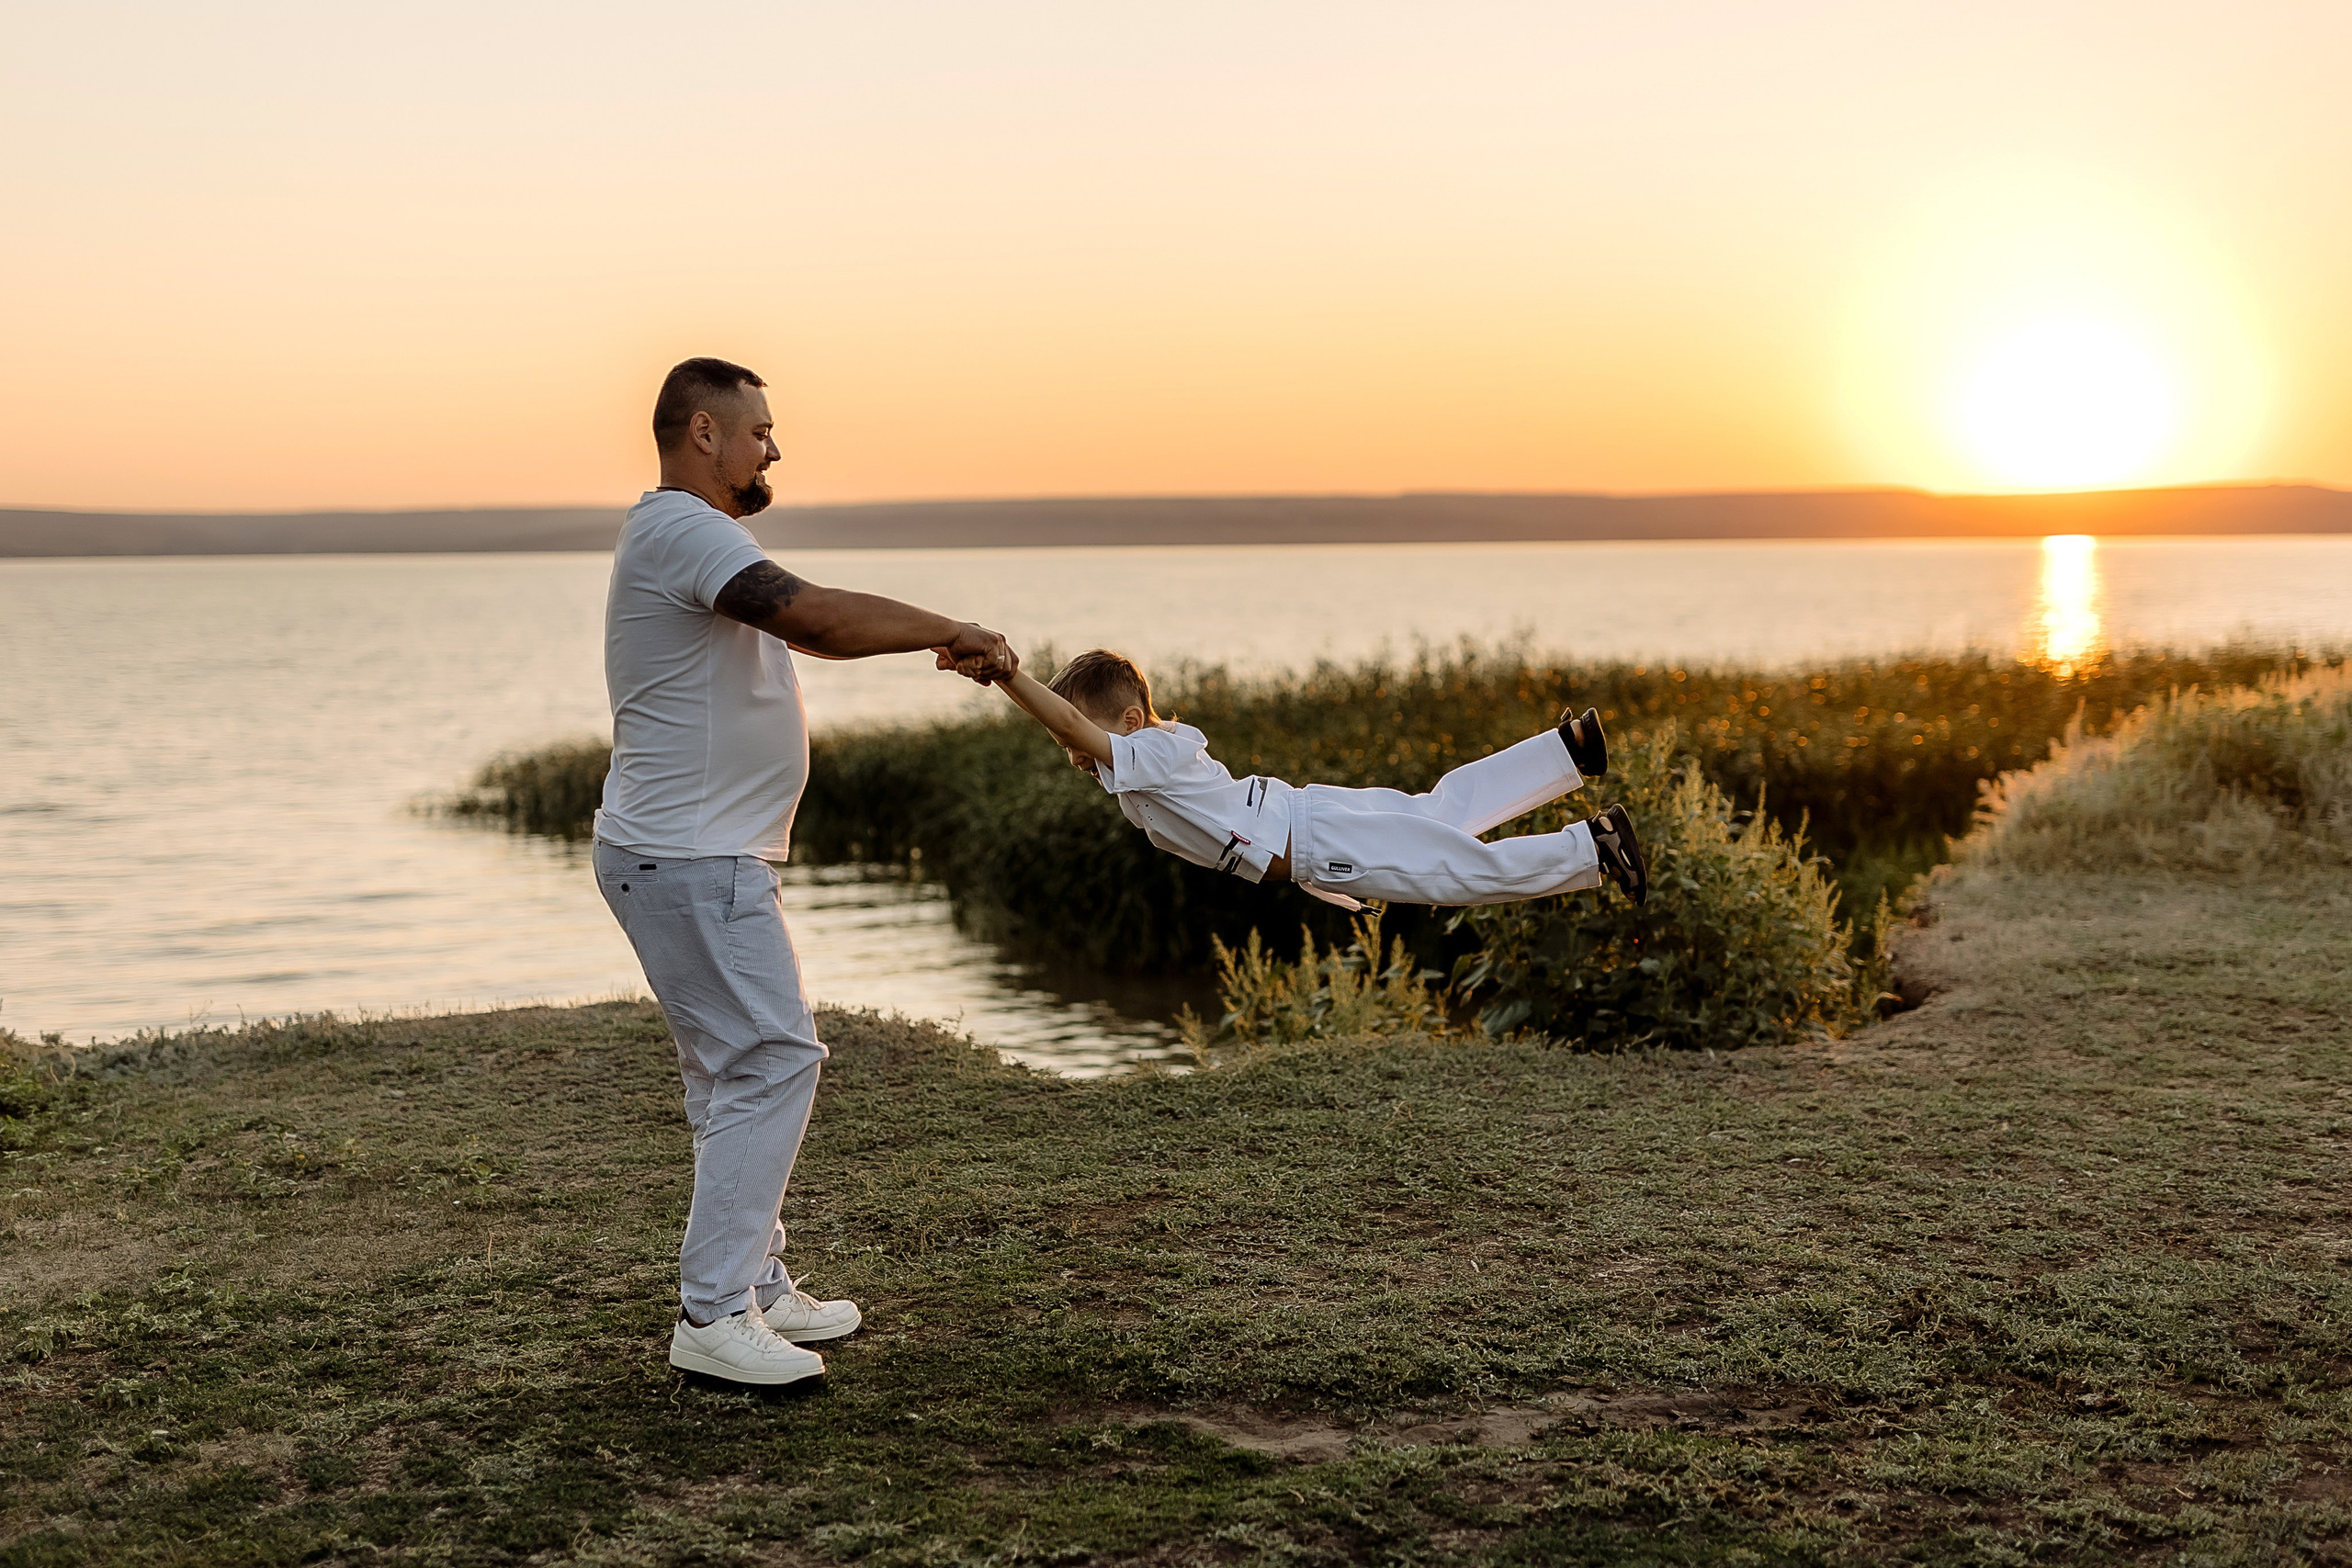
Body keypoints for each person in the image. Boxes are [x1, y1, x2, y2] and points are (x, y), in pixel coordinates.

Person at [594, 356, 1016, 1388]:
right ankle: (711, 1315)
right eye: (759, 431)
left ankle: (753, 1281)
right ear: (704, 432)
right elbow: (814, 617)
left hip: (688, 853)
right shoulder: (683, 528)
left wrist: (923, 636)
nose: (773, 448)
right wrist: (948, 630)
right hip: (691, 857)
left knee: (730, 1073)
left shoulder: (689, 536)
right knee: (775, 1059)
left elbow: (807, 631)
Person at [988, 649, 1647, 908]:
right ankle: (1567, 751)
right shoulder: (1149, 760)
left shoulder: (1149, 753)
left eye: (1076, 739)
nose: (1073, 752)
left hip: (1314, 840)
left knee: (1462, 874)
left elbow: (1070, 723)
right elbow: (1072, 723)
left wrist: (1005, 673)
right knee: (1438, 813)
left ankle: (1592, 847)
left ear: (1130, 720)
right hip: (1307, 816)